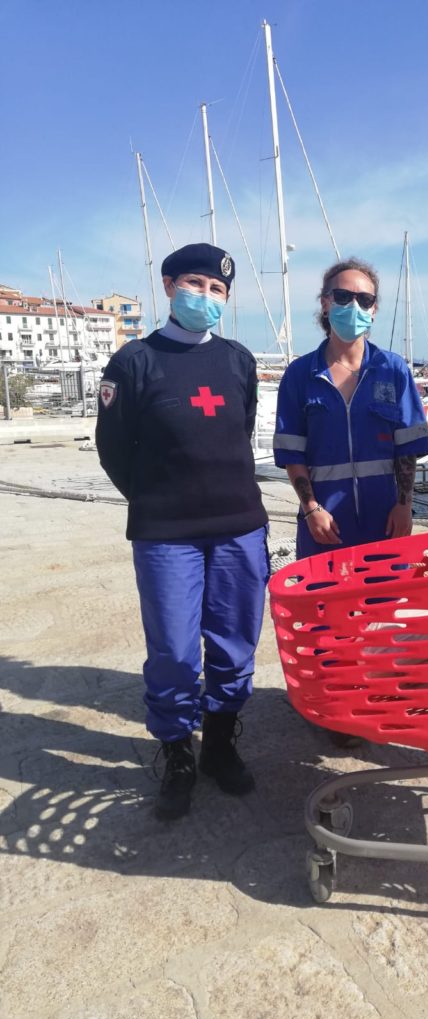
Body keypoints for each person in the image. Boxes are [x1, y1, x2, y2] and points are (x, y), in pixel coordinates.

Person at [96, 243, 270, 821]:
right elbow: (113, 449)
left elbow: (238, 434)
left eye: (218, 289)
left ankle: (219, 743)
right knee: (172, 650)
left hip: (239, 528)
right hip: (165, 533)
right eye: (195, 284)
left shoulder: (239, 361)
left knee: (235, 644)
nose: (206, 296)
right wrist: (154, 499)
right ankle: (176, 751)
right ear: (169, 286)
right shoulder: (134, 362)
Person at [273, 258, 428, 559]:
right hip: (325, 525)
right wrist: (311, 510)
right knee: (324, 604)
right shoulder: (299, 375)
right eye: (344, 297)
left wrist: (404, 505)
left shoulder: (394, 370)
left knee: (383, 604)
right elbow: (292, 452)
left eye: (365, 299)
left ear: (373, 310)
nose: (354, 306)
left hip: (384, 524)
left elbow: (407, 446)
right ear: (325, 303)